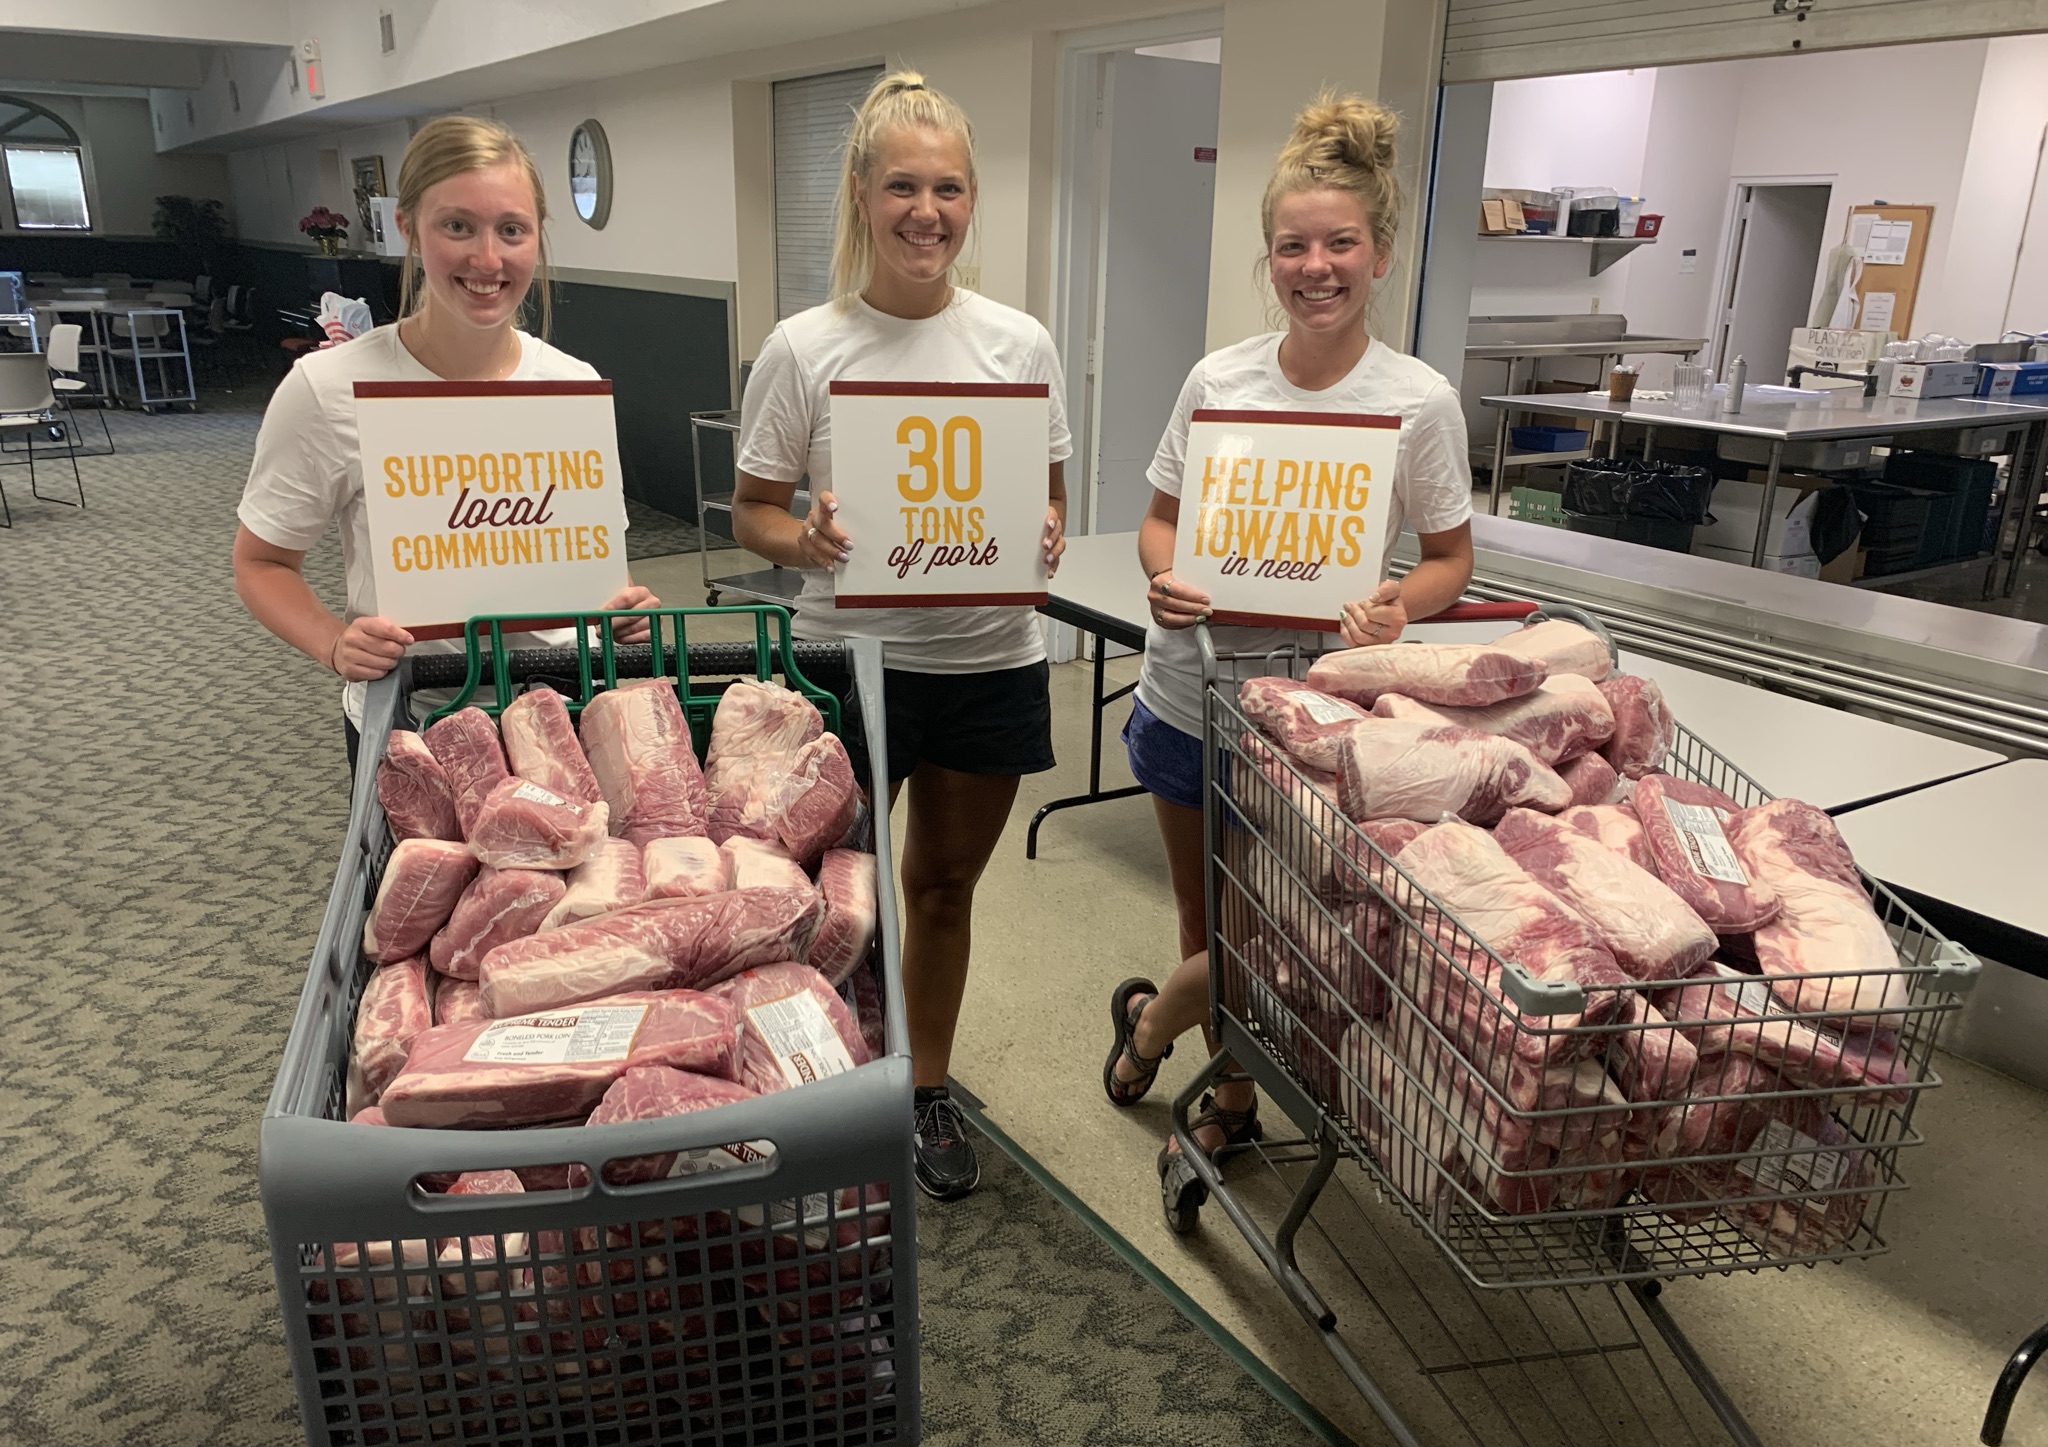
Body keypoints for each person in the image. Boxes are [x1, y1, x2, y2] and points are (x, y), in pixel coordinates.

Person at [1102, 93, 1475, 1186]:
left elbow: (1450, 557)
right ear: (1267, 258)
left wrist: (1403, 604)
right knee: (1203, 908)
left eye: (1339, 244)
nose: (1316, 267)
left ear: (1381, 255)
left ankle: (1154, 1024)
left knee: (1282, 923)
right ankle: (1229, 1097)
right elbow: (1160, 520)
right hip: (1193, 689)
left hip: (1326, 718)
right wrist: (1162, 575)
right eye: (1292, 246)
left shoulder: (1417, 401)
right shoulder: (1218, 380)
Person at [732, 71, 1069, 1201]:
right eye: (904, 188)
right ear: (861, 195)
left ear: (972, 202)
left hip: (985, 664)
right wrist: (808, 542)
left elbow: (1047, 495)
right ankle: (823, 1088)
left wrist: (1046, 532)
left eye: (949, 189)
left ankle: (923, 1087)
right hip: (848, 666)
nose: (927, 212)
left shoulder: (1017, 345)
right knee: (829, 897)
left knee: (936, 892)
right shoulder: (803, 346)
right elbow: (754, 514)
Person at [233, 115, 656, 764]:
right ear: (408, 227)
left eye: (511, 230)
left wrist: (621, 609)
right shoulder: (328, 387)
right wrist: (333, 642)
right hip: (415, 720)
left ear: (537, 237)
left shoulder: (570, 386)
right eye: (457, 226)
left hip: (569, 713)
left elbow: (591, 556)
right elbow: (260, 562)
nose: (487, 259)